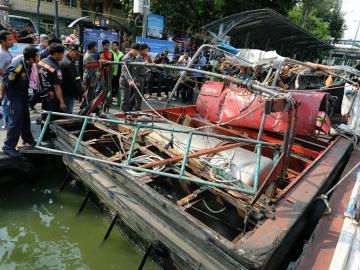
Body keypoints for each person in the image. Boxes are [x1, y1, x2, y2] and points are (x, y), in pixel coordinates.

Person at [2, 47, 40, 157]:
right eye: (37, 56)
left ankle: (28, 139)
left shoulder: (28, 64)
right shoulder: (17, 66)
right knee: (15, 121)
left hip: (23, 95)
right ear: (32, 58)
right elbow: (5, 82)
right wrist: (2, 96)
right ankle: (8, 146)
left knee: (26, 118)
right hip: (14, 96)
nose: (39, 57)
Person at [38, 43, 66, 135]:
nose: (63, 56)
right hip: (52, 96)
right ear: (56, 54)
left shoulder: (42, 61)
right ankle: (53, 136)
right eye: (62, 54)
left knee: (45, 115)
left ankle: (44, 135)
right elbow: (57, 86)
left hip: (43, 93)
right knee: (54, 117)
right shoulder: (55, 67)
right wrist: (62, 102)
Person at [60, 44, 83, 114]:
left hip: (66, 91)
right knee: (68, 114)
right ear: (71, 51)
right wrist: (81, 91)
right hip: (68, 92)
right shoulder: (68, 63)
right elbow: (72, 81)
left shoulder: (66, 60)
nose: (78, 56)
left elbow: (76, 77)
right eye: (77, 54)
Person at [119, 43, 140, 112]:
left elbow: (134, 70)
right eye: (135, 51)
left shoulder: (133, 57)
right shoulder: (127, 57)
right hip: (125, 80)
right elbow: (125, 70)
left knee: (129, 98)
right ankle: (122, 114)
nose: (137, 53)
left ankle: (126, 111)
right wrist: (129, 80)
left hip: (131, 80)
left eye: (138, 51)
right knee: (125, 99)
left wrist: (136, 80)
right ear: (131, 49)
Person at [0, 30, 14, 129]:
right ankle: (7, 124)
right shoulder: (2, 53)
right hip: (4, 83)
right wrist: (8, 79)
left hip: (7, 82)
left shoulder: (6, 51)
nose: (12, 41)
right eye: (9, 40)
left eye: (12, 39)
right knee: (5, 103)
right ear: (2, 41)